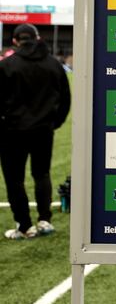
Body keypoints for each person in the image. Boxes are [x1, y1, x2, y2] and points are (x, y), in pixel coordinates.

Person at [0, 23, 71, 239]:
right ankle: (44, 220)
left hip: (12, 131)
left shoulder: (7, 65)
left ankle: (24, 226)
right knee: (42, 174)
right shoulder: (54, 65)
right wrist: (54, 123)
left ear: (15, 41)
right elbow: (66, 99)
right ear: (37, 37)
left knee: (14, 179)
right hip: (43, 130)